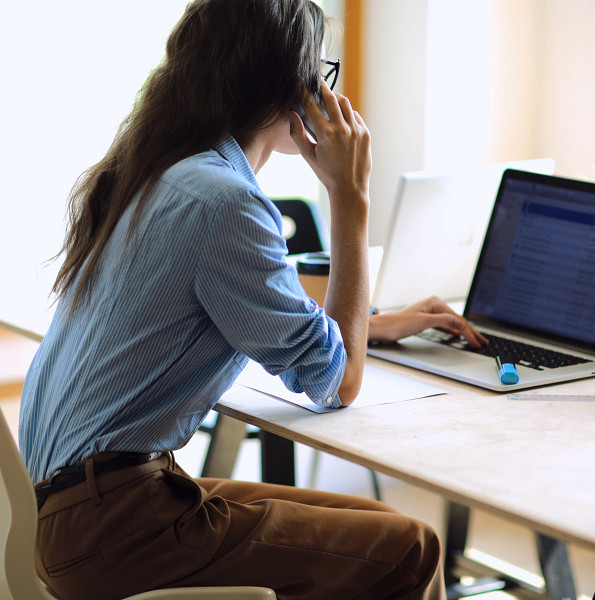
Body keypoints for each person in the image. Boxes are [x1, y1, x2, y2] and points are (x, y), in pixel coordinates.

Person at [19, 1, 485, 599]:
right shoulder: (225, 201)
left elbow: (257, 307)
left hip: (71, 511)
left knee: (389, 530)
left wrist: (373, 324)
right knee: (408, 552)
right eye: (322, 72)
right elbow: (337, 383)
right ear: (291, 86)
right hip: (115, 528)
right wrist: (351, 198)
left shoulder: (167, 173)